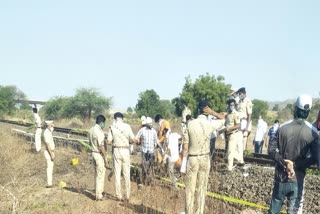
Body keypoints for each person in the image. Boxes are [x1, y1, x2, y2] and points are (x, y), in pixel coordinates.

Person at [268, 94, 320, 214]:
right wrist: (295, 165)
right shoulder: (313, 133)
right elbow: (316, 158)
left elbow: (271, 150)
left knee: (273, 211)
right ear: (308, 112)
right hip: (298, 179)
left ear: (295, 109)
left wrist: (284, 162)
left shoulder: (282, 127)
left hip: (280, 178)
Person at [182, 100, 224, 214]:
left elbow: (185, 146)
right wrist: (213, 113)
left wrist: (183, 163)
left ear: (198, 110)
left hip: (193, 158)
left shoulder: (190, 124)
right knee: (202, 190)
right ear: (207, 111)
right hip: (205, 158)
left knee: (190, 190)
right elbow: (223, 119)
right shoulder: (209, 124)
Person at [107, 112, 136, 202]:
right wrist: (128, 142)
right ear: (122, 118)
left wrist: (115, 141)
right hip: (125, 150)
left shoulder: (112, 127)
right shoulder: (127, 126)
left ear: (115, 118)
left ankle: (118, 195)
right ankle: (127, 195)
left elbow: (108, 141)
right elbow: (133, 139)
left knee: (117, 173)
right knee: (127, 174)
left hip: (116, 150)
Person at [89, 115, 107, 201]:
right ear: (102, 122)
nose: (105, 125)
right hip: (98, 154)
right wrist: (105, 157)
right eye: (104, 123)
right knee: (100, 174)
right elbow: (101, 146)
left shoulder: (91, 129)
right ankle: (99, 194)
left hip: (93, 153)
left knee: (97, 174)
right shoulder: (99, 131)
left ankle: (98, 192)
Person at [135, 117, 158, 187]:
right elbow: (136, 137)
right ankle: (143, 181)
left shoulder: (154, 131)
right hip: (144, 151)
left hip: (151, 151)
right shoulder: (142, 130)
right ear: (146, 124)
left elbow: (155, 140)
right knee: (144, 166)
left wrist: (155, 145)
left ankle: (151, 181)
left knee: (151, 166)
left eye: (151, 124)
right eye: (149, 124)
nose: (151, 125)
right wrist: (138, 141)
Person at [225, 98, 244, 172]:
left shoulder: (235, 114)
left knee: (230, 151)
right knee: (231, 151)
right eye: (230, 105)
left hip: (234, 134)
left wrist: (229, 129)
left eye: (233, 105)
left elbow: (238, 125)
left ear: (234, 105)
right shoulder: (228, 113)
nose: (231, 106)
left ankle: (229, 168)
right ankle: (240, 161)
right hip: (229, 135)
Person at [236, 87, 253, 152]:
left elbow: (249, 115)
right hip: (238, 123)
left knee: (243, 142)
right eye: (239, 94)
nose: (239, 95)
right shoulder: (239, 101)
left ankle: (242, 158)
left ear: (244, 93)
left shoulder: (248, 101)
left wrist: (247, 127)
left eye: (240, 94)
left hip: (244, 123)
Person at [43, 120, 55, 188]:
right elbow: (47, 145)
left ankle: (50, 182)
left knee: (51, 167)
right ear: (48, 125)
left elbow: (53, 128)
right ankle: (49, 183)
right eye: (51, 123)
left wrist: (52, 126)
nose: (52, 124)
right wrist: (51, 154)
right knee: (49, 167)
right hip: (48, 151)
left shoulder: (49, 130)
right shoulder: (46, 133)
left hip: (51, 151)